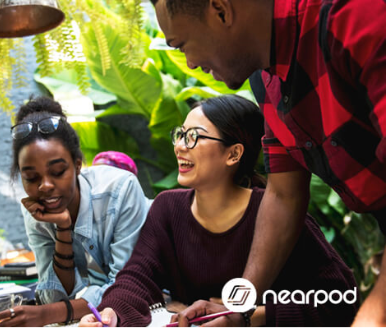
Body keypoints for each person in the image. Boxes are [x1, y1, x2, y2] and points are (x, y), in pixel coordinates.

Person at [151, 0, 386, 325]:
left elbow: (338, 297)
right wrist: (238, 307)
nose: (190, 63)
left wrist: (376, 314)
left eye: (183, 45)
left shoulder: (352, 16)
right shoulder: (266, 80)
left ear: (221, 10)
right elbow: (284, 195)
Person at [79, 95, 358, 327]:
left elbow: (340, 298)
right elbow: (138, 277)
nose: (179, 146)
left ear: (233, 154)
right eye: (180, 135)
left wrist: (250, 317)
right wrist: (111, 313)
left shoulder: (277, 215)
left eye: (193, 137)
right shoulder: (167, 208)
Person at [0, 96, 150, 327]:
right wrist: (63, 228)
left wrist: (47, 314)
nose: (45, 186)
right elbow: (54, 295)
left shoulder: (120, 189)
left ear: (78, 165)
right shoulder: (37, 213)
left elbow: (125, 288)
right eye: (31, 177)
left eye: (58, 171)